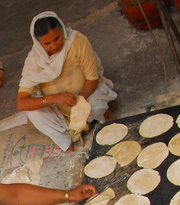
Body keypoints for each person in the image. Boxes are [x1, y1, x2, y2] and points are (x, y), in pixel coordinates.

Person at [16, 12, 117, 152]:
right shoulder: (34, 60)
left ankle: (107, 117)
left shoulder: (77, 41)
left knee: (96, 104)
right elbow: (21, 103)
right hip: (60, 109)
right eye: (47, 43)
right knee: (33, 113)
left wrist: (79, 101)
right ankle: (67, 146)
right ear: (38, 43)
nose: (54, 45)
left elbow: (92, 78)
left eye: (57, 38)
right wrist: (54, 98)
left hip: (85, 96)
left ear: (62, 31)